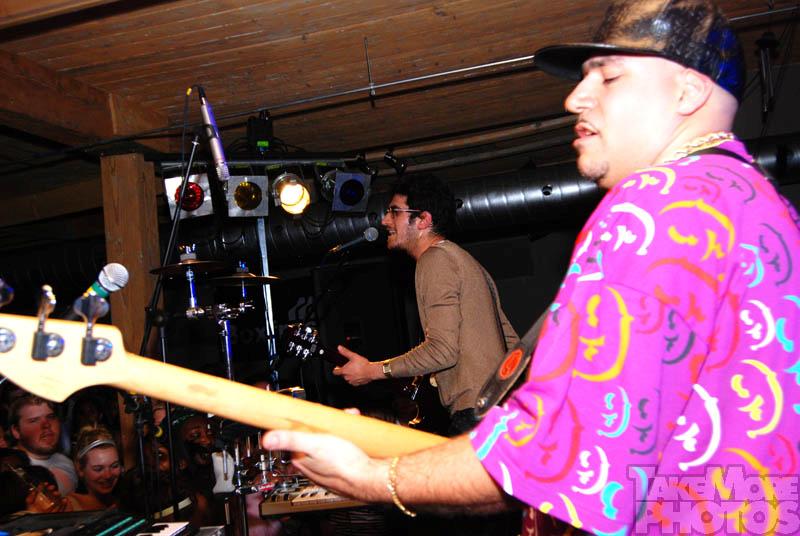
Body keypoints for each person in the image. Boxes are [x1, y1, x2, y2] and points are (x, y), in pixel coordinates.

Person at [260, 1, 800, 534]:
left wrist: (375, 476)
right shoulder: (757, 203)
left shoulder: (660, 205)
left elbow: (564, 458)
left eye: (608, 76)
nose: (575, 97)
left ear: (687, 91)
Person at [333, 173, 519, 435]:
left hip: (475, 413)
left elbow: (443, 351)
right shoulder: (466, 261)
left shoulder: (434, 260)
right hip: (499, 408)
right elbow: (512, 344)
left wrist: (372, 371)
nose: (385, 221)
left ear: (423, 220)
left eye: (394, 212)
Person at [8, 393, 78, 495]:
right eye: (34, 420)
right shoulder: (8, 472)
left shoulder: (67, 462)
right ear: (16, 431)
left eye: (51, 417)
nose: (46, 425)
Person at [62, 425, 122, 511]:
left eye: (114, 466)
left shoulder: (121, 502)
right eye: (98, 469)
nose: (108, 475)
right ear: (80, 469)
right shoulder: (68, 506)